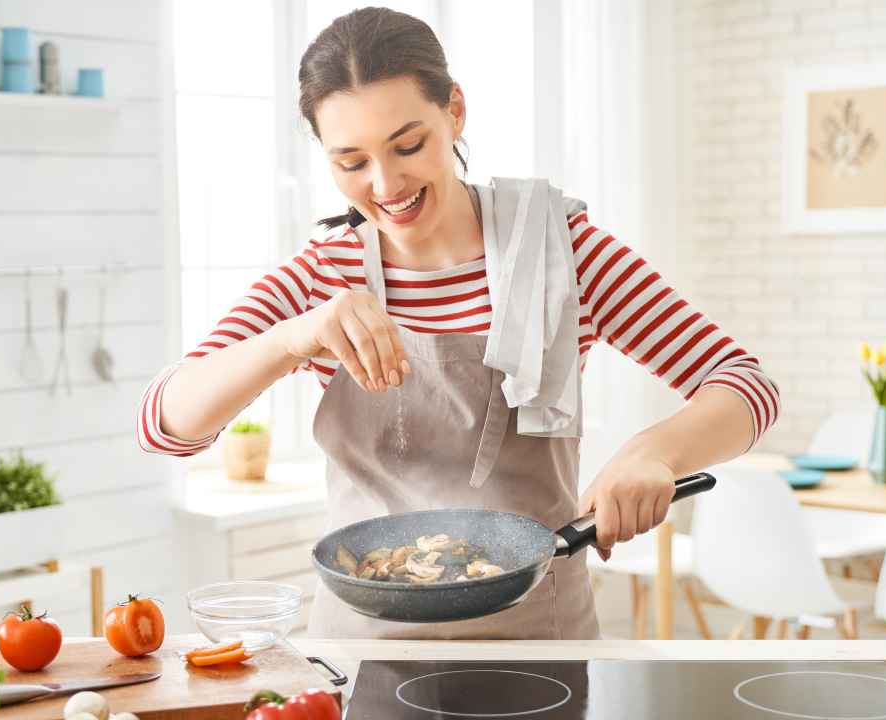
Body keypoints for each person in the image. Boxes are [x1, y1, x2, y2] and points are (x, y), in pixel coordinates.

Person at [139, 7, 779, 640]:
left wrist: (654, 452)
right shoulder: (322, 277)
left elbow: (748, 385)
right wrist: (292, 337)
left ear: (455, 111)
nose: (385, 183)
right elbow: (164, 425)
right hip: (363, 647)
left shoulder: (561, 251)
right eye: (351, 162)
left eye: (407, 145)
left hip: (539, 640)